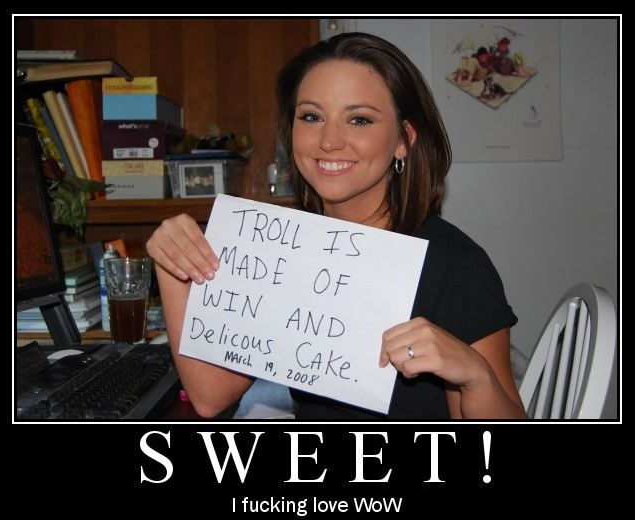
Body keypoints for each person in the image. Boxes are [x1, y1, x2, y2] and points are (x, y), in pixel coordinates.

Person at [146, 32, 527, 420]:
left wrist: (475, 376)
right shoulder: (279, 251)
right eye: (311, 117)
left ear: (403, 140)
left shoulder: (456, 267)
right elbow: (211, 395)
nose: (329, 141)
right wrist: (174, 262)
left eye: (359, 120)